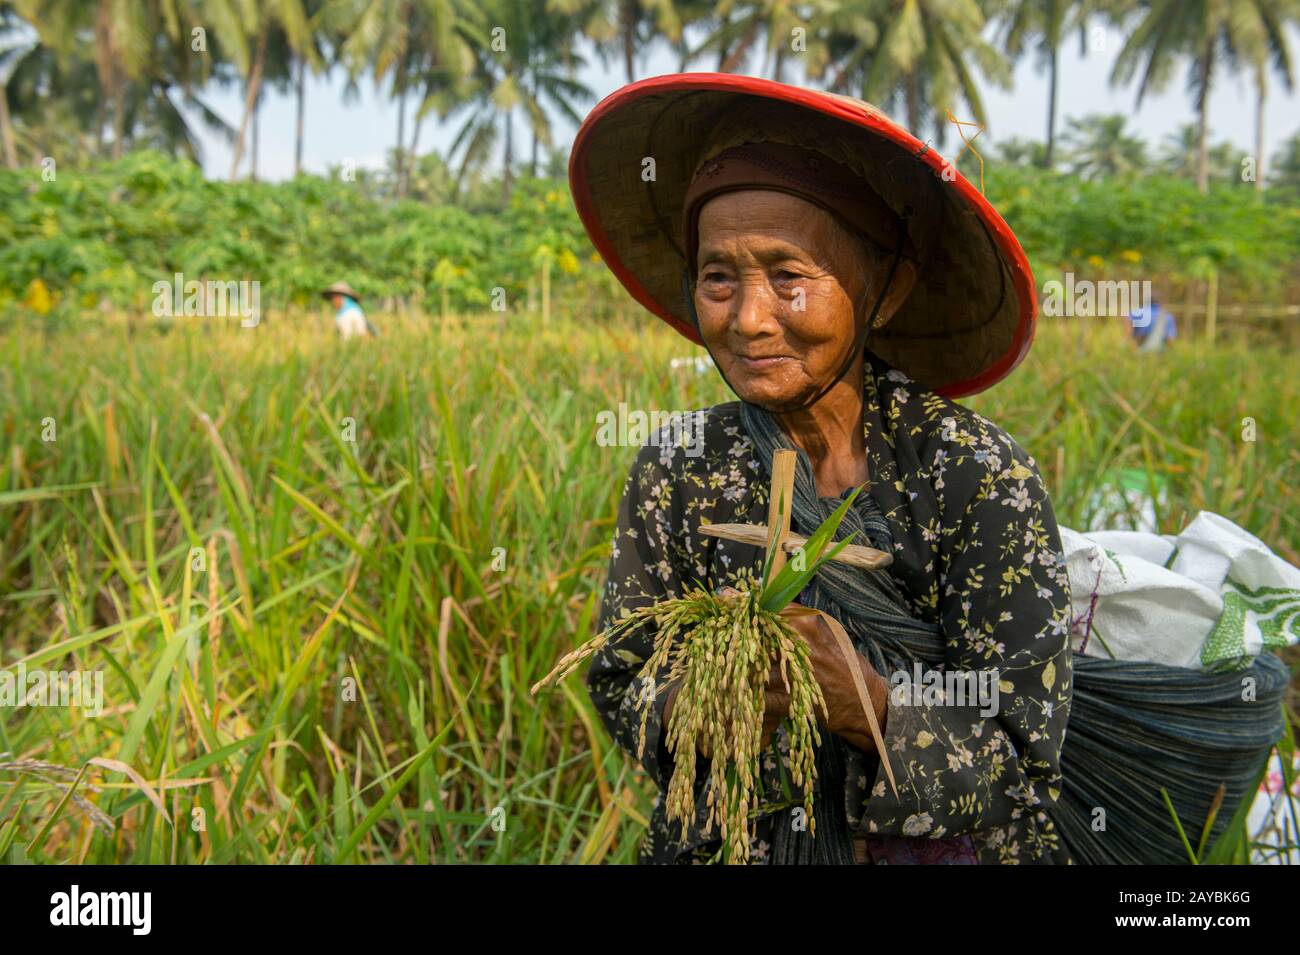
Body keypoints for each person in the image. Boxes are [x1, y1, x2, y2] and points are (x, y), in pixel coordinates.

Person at [571, 75, 1074, 865]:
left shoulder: (973, 476)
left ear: (888, 287)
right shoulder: (678, 467)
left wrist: (869, 704)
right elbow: (618, 679)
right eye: (718, 277)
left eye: (789, 276)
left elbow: (1024, 759)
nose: (748, 318)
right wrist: (693, 704)